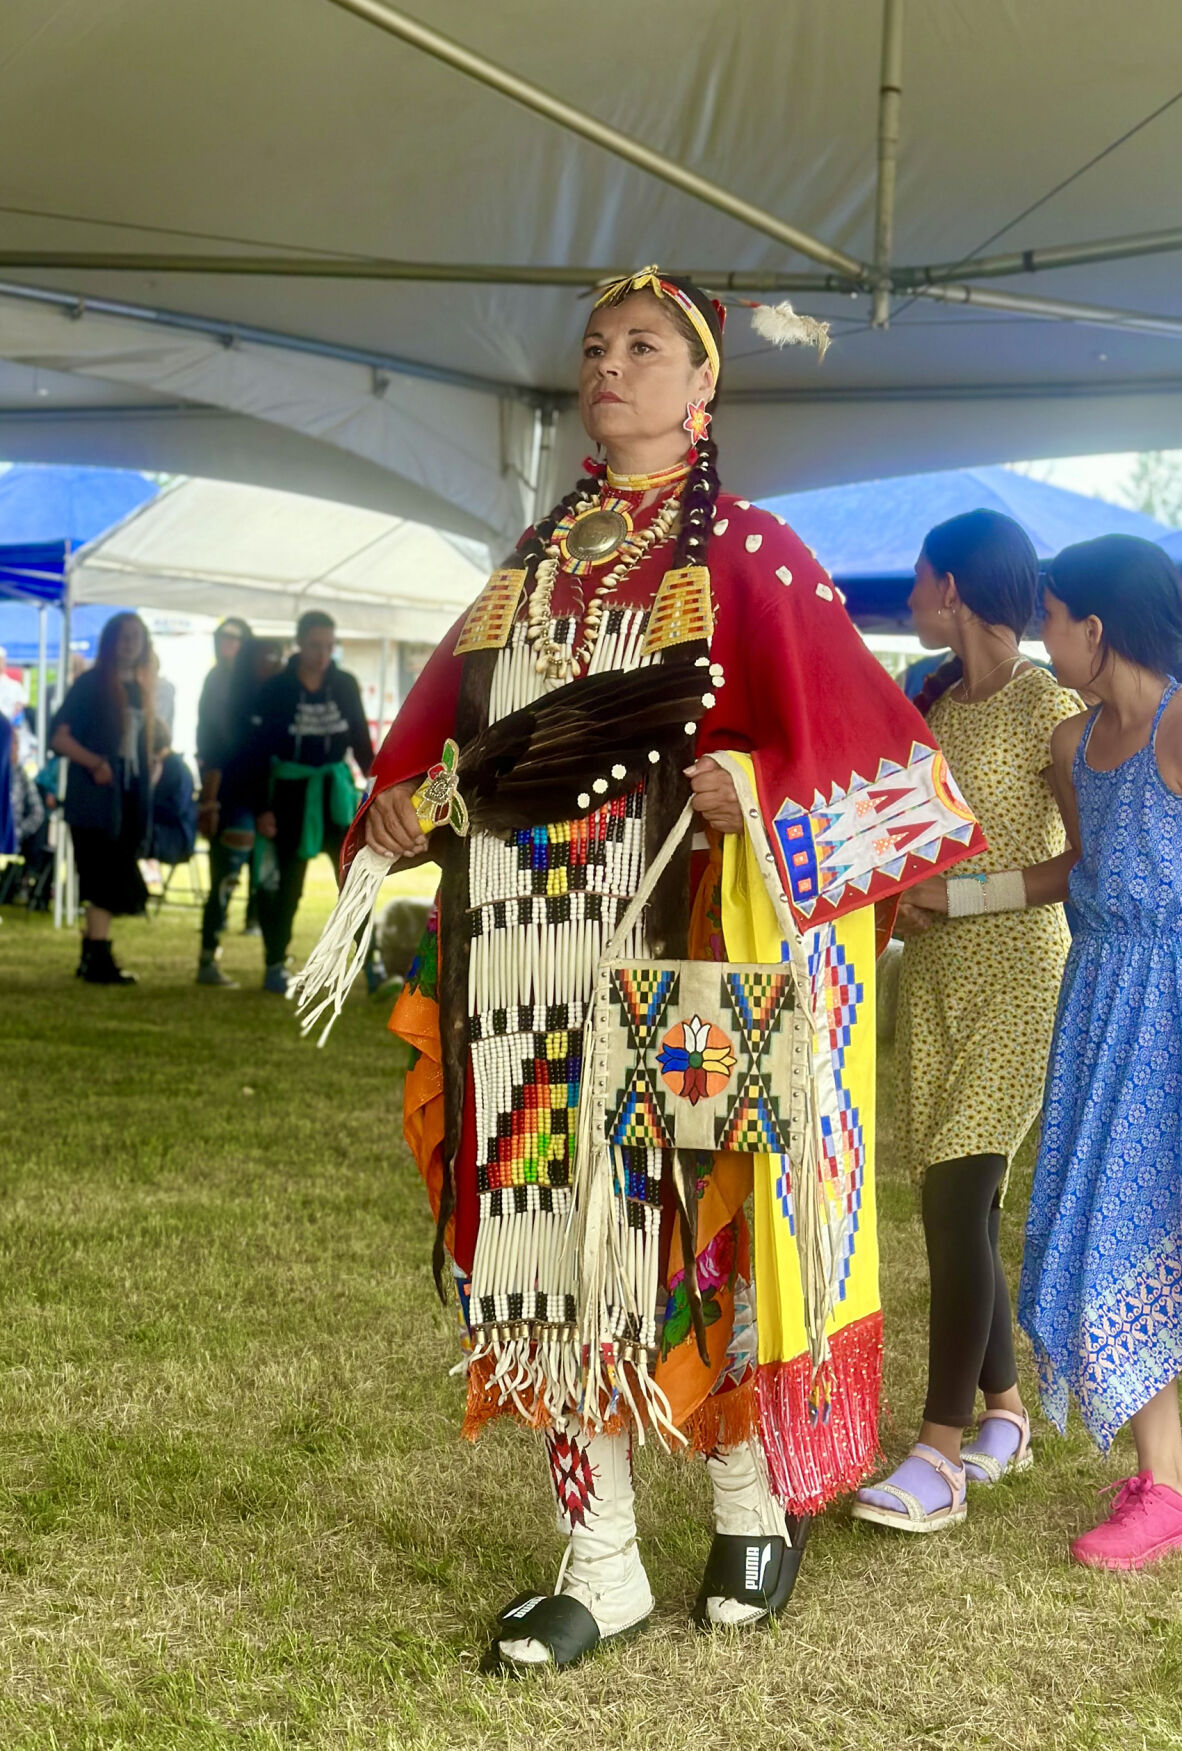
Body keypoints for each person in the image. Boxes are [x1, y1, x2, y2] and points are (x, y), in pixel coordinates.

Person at [309, 267, 985, 1667]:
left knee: (709, 1232)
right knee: (548, 1260)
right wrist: (404, 810)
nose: (607, 366)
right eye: (595, 346)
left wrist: (753, 780)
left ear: (702, 383)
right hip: (525, 969)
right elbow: (460, 745)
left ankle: (747, 1504)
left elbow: (891, 782)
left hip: (689, 950)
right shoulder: (529, 567)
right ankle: (600, 1552)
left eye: (642, 347)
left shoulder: (747, 554)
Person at [849, 510, 1081, 1534]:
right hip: (931, 974)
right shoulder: (930, 704)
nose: (909, 595)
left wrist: (967, 896)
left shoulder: (1052, 705)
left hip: (1021, 971)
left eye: (919, 576)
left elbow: (1087, 855)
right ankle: (1006, 1414)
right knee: (957, 1198)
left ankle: (936, 1455)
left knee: (957, 1194)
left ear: (958, 588)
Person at [1018, 535, 1182, 1571]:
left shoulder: (1179, 725)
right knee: (1101, 1232)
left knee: (1151, 1225)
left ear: (1098, 625)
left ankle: (1165, 1486)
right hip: (1097, 1007)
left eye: (1051, 616)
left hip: (1170, 1005)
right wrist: (952, 897)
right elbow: (1077, 871)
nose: (1042, 635)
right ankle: (1163, 1475)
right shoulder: (1072, 744)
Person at [248, 611, 374, 994]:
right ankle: (274, 962)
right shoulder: (276, 690)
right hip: (290, 796)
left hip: (335, 793)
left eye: (329, 646)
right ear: (300, 644)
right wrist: (261, 808)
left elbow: (361, 745)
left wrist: (380, 792)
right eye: (315, 645)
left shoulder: (345, 685)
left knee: (355, 881)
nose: (322, 654)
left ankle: (373, 965)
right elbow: (257, 753)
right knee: (286, 886)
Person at [49, 612, 154, 984]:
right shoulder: (91, 684)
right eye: (123, 637)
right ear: (110, 642)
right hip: (94, 801)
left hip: (126, 800)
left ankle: (94, 953)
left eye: (136, 637)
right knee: (101, 876)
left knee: (110, 875)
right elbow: (59, 737)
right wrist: (95, 763)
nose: (130, 644)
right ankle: (97, 956)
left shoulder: (139, 690)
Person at [196, 635, 284, 987]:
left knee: (265, 884)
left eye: (277, 657)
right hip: (235, 804)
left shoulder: (275, 701)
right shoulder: (231, 702)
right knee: (226, 882)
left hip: (262, 805)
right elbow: (216, 757)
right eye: (266, 657)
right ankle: (207, 959)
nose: (272, 664)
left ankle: (272, 965)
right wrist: (210, 804)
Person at [148, 719, 197, 868]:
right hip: (174, 836)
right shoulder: (174, 765)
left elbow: (173, 809)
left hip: (173, 838)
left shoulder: (173, 768)